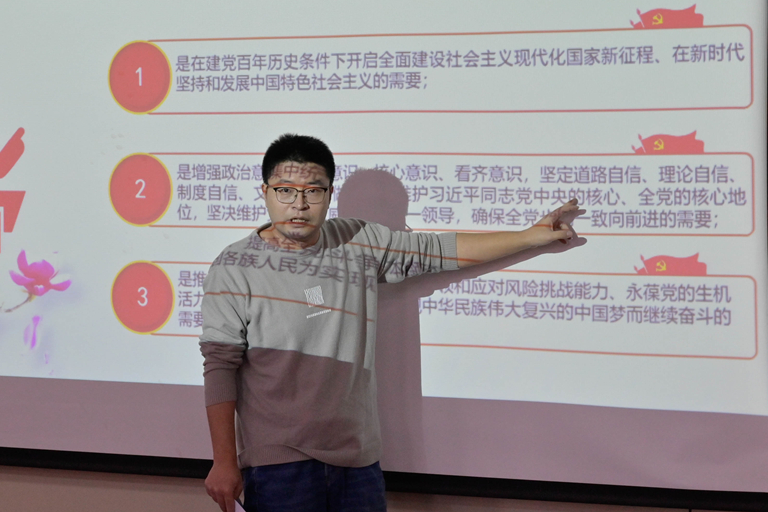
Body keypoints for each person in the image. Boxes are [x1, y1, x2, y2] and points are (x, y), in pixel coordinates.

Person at [200, 134, 582, 512]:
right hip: (277, 466)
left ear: (329, 194)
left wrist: (530, 237)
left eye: (313, 191)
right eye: (285, 190)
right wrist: (224, 460)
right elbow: (220, 366)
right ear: (265, 192)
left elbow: (440, 250)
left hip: (358, 461)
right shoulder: (234, 267)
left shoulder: (357, 241)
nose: (298, 204)